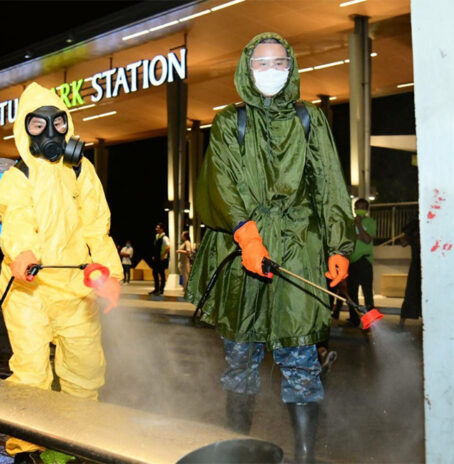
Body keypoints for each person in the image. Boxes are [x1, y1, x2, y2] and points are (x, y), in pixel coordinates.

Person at [185, 33, 354, 464]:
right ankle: (235, 450)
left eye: (279, 62)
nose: (271, 71)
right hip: (245, 251)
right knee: (240, 357)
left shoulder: (309, 119)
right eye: (261, 63)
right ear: (247, 68)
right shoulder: (229, 123)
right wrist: (248, 236)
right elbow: (220, 185)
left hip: (299, 246)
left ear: (292, 67)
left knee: (301, 358)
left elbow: (329, 183)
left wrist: (338, 246)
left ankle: (303, 457)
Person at [0, 82, 122, 461]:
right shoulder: (18, 177)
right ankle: (26, 447)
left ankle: (77, 440)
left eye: (58, 123)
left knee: (85, 370)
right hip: (28, 289)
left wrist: (107, 273)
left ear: (68, 125)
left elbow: (97, 227)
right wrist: (22, 253)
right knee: (31, 374)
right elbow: (16, 220)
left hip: (75, 289)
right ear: (23, 129)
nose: (49, 134)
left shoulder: (81, 172)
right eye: (37, 126)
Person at [342, 198, 376, 327]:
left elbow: (367, 239)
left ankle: (371, 319)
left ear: (366, 209)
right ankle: (354, 319)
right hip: (352, 262)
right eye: (358, 206)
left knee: (367, 292)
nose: (360, 209)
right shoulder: (349, 223)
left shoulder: (371, 222)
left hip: (365, 261)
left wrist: (359, 226)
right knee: (352, 292)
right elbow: (348, 239)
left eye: (363, 207)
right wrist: (359, 234)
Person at [398, 218, 421, 329]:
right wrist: (408, 238)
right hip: (417, 264)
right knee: (411, 292)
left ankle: (426, 325)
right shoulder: (415, 224)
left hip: (431, 266)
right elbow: (403, 242)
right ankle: (401, 324)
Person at [150, 223, 170, 295]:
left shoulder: (165, 237)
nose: (156, 229)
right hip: (156, 258)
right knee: (154, 273)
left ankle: (161, 290)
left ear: (162, 229)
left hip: (162, 259)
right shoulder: (157, 236)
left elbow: (168, 247)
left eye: (158, 228)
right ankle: (156, 289)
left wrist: (163, 255)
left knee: (161, 274)